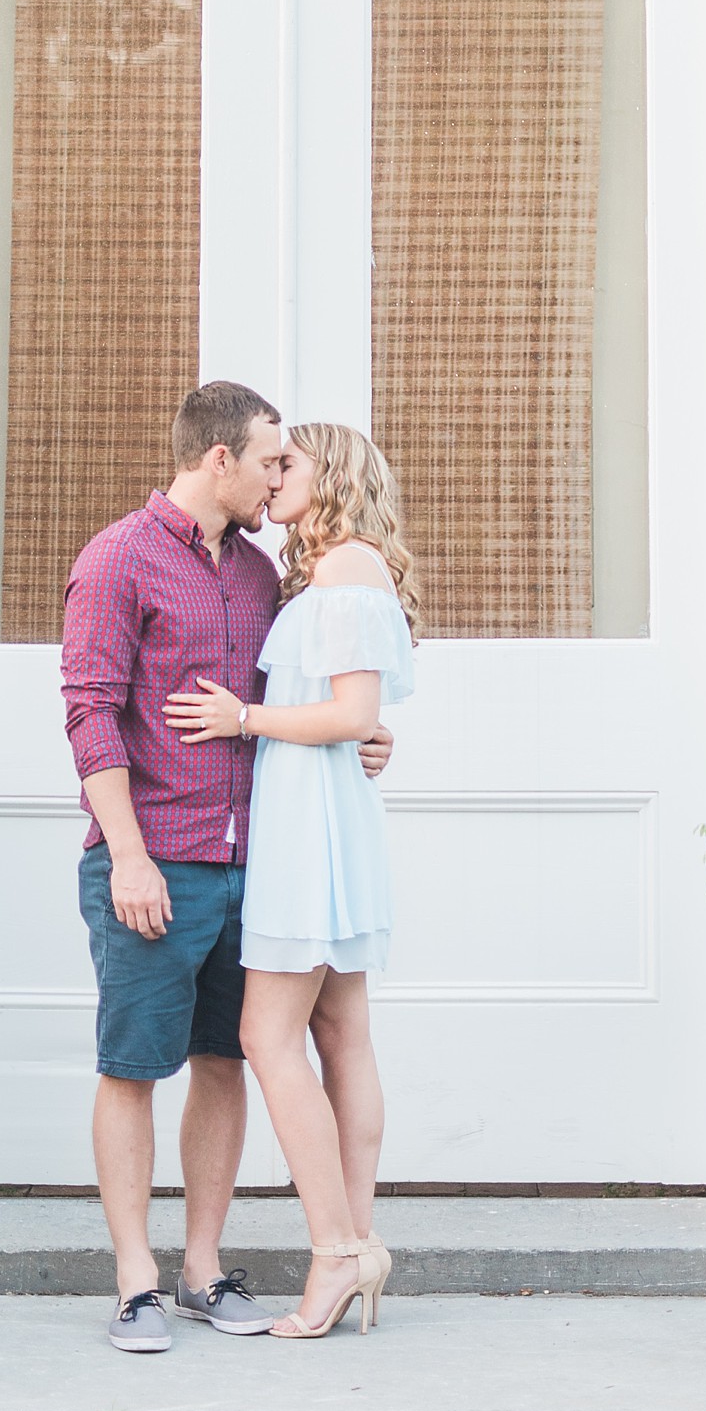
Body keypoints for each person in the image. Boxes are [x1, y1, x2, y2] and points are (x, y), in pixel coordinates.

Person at [60, 380, 394, 1355]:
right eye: (266, 459)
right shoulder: (116, 559)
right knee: (131, 1066)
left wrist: (367, 738)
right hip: (152, 860)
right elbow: (87, 713)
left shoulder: (259, 575)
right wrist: (126, 852)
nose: (274, 475)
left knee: (227, 1058)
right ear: (219, 459)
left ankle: (202, 1267)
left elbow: (311, 699)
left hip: (258, 866)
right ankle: (134, 1278)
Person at [163, 421, 417, 1340]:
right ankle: (360, 1241)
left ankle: (338, 1254)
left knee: (266, 1038)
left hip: (310, 831)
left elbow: (351, 708)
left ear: (333, 475)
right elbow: (355, 715)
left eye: (289, 463)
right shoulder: (325, 571)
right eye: (269, 463)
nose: (274, 478)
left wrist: (243, 718)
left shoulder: (345, 568)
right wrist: (357, 730)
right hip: (324, 812)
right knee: (342, 1034)